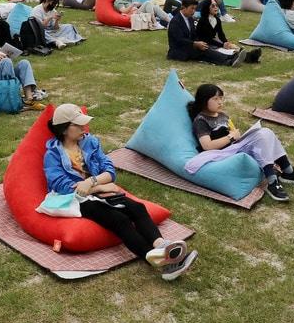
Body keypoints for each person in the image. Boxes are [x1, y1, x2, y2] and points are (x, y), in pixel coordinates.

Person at [44, 104, 197, 280]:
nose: (83, 128)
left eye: (83, 124)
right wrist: (101, 187)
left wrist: (92, 181)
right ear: (64, 129)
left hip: (96, 190)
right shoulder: (53, 154)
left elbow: (109, 171)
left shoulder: (91, 142)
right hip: (76, 200)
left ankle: (161, 246)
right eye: (77, 125)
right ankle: (164, 265)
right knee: (119, 220)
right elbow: (62, 185)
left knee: (137, 208)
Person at [186, 83, 294, 202]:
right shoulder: (201, 120)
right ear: (204, 101)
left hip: (234, 146)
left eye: (221, 98)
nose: (220, 102)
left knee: (266, 132)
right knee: (262, 135)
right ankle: (273, 181)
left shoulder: (222, 115)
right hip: (221, 153)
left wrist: (236, 135)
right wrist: (231, 137)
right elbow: (207, 146)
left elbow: (234, 133)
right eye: (215, 99)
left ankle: (287, 171)